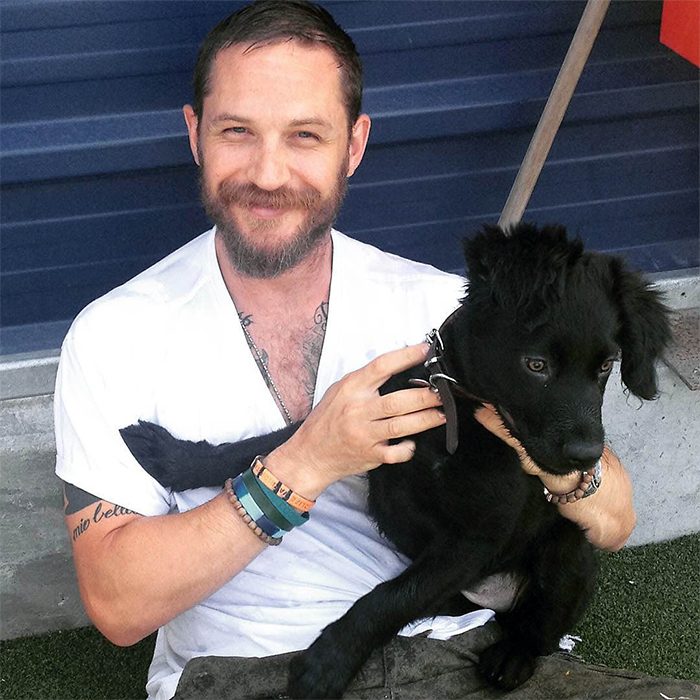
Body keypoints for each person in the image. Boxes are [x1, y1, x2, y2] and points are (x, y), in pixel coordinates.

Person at [55, 2, 640, 698]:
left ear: (354, 145)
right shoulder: (115, 334)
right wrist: (302, 467)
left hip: (454, 647)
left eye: (305, 135)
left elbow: (614, 521)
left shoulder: (440, 308)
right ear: (195, 135)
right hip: (252, 670)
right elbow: (119, 608)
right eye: (237, 131)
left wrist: (554, 467)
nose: (268, 173)